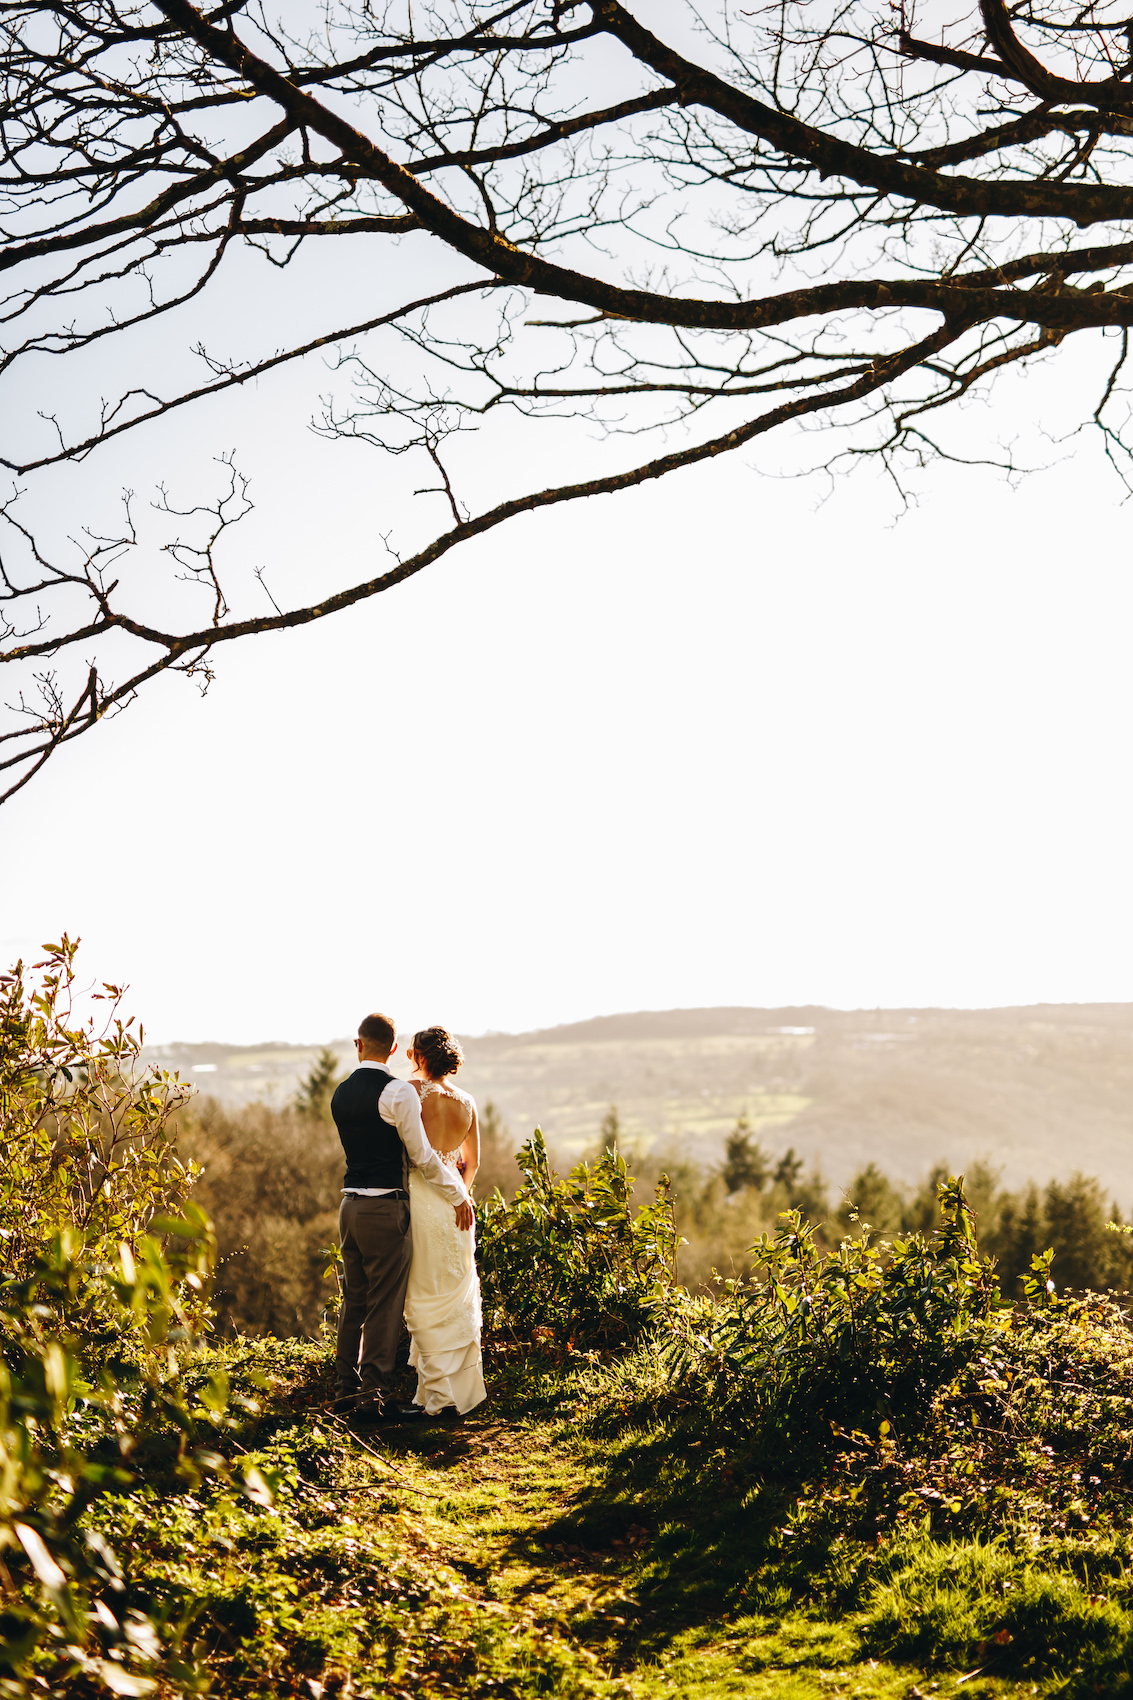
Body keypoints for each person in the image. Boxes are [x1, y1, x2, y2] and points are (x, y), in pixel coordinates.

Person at [331, 1012, 473, 1423]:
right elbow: (423, 1157)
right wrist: (456, 1193)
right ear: (394, 1049)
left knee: (354, 1301)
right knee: (385, 1304)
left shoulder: (340, 1093)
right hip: (384, 1208)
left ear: (358, 1045)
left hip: (350, 1206)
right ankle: (371, 1400)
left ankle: (343, 1393)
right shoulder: (397, 1094)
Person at [403, 1025, 487, 1417]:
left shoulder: (409, 1093)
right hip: (460, 1207)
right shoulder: (466, 1101)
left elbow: (413, 1154)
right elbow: (473, 1160)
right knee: (455, 1291)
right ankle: (452, 1392)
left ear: (420, 1056)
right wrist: (461, 1195)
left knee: (424, 1292)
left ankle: (435, 1396)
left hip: (422, 1200)